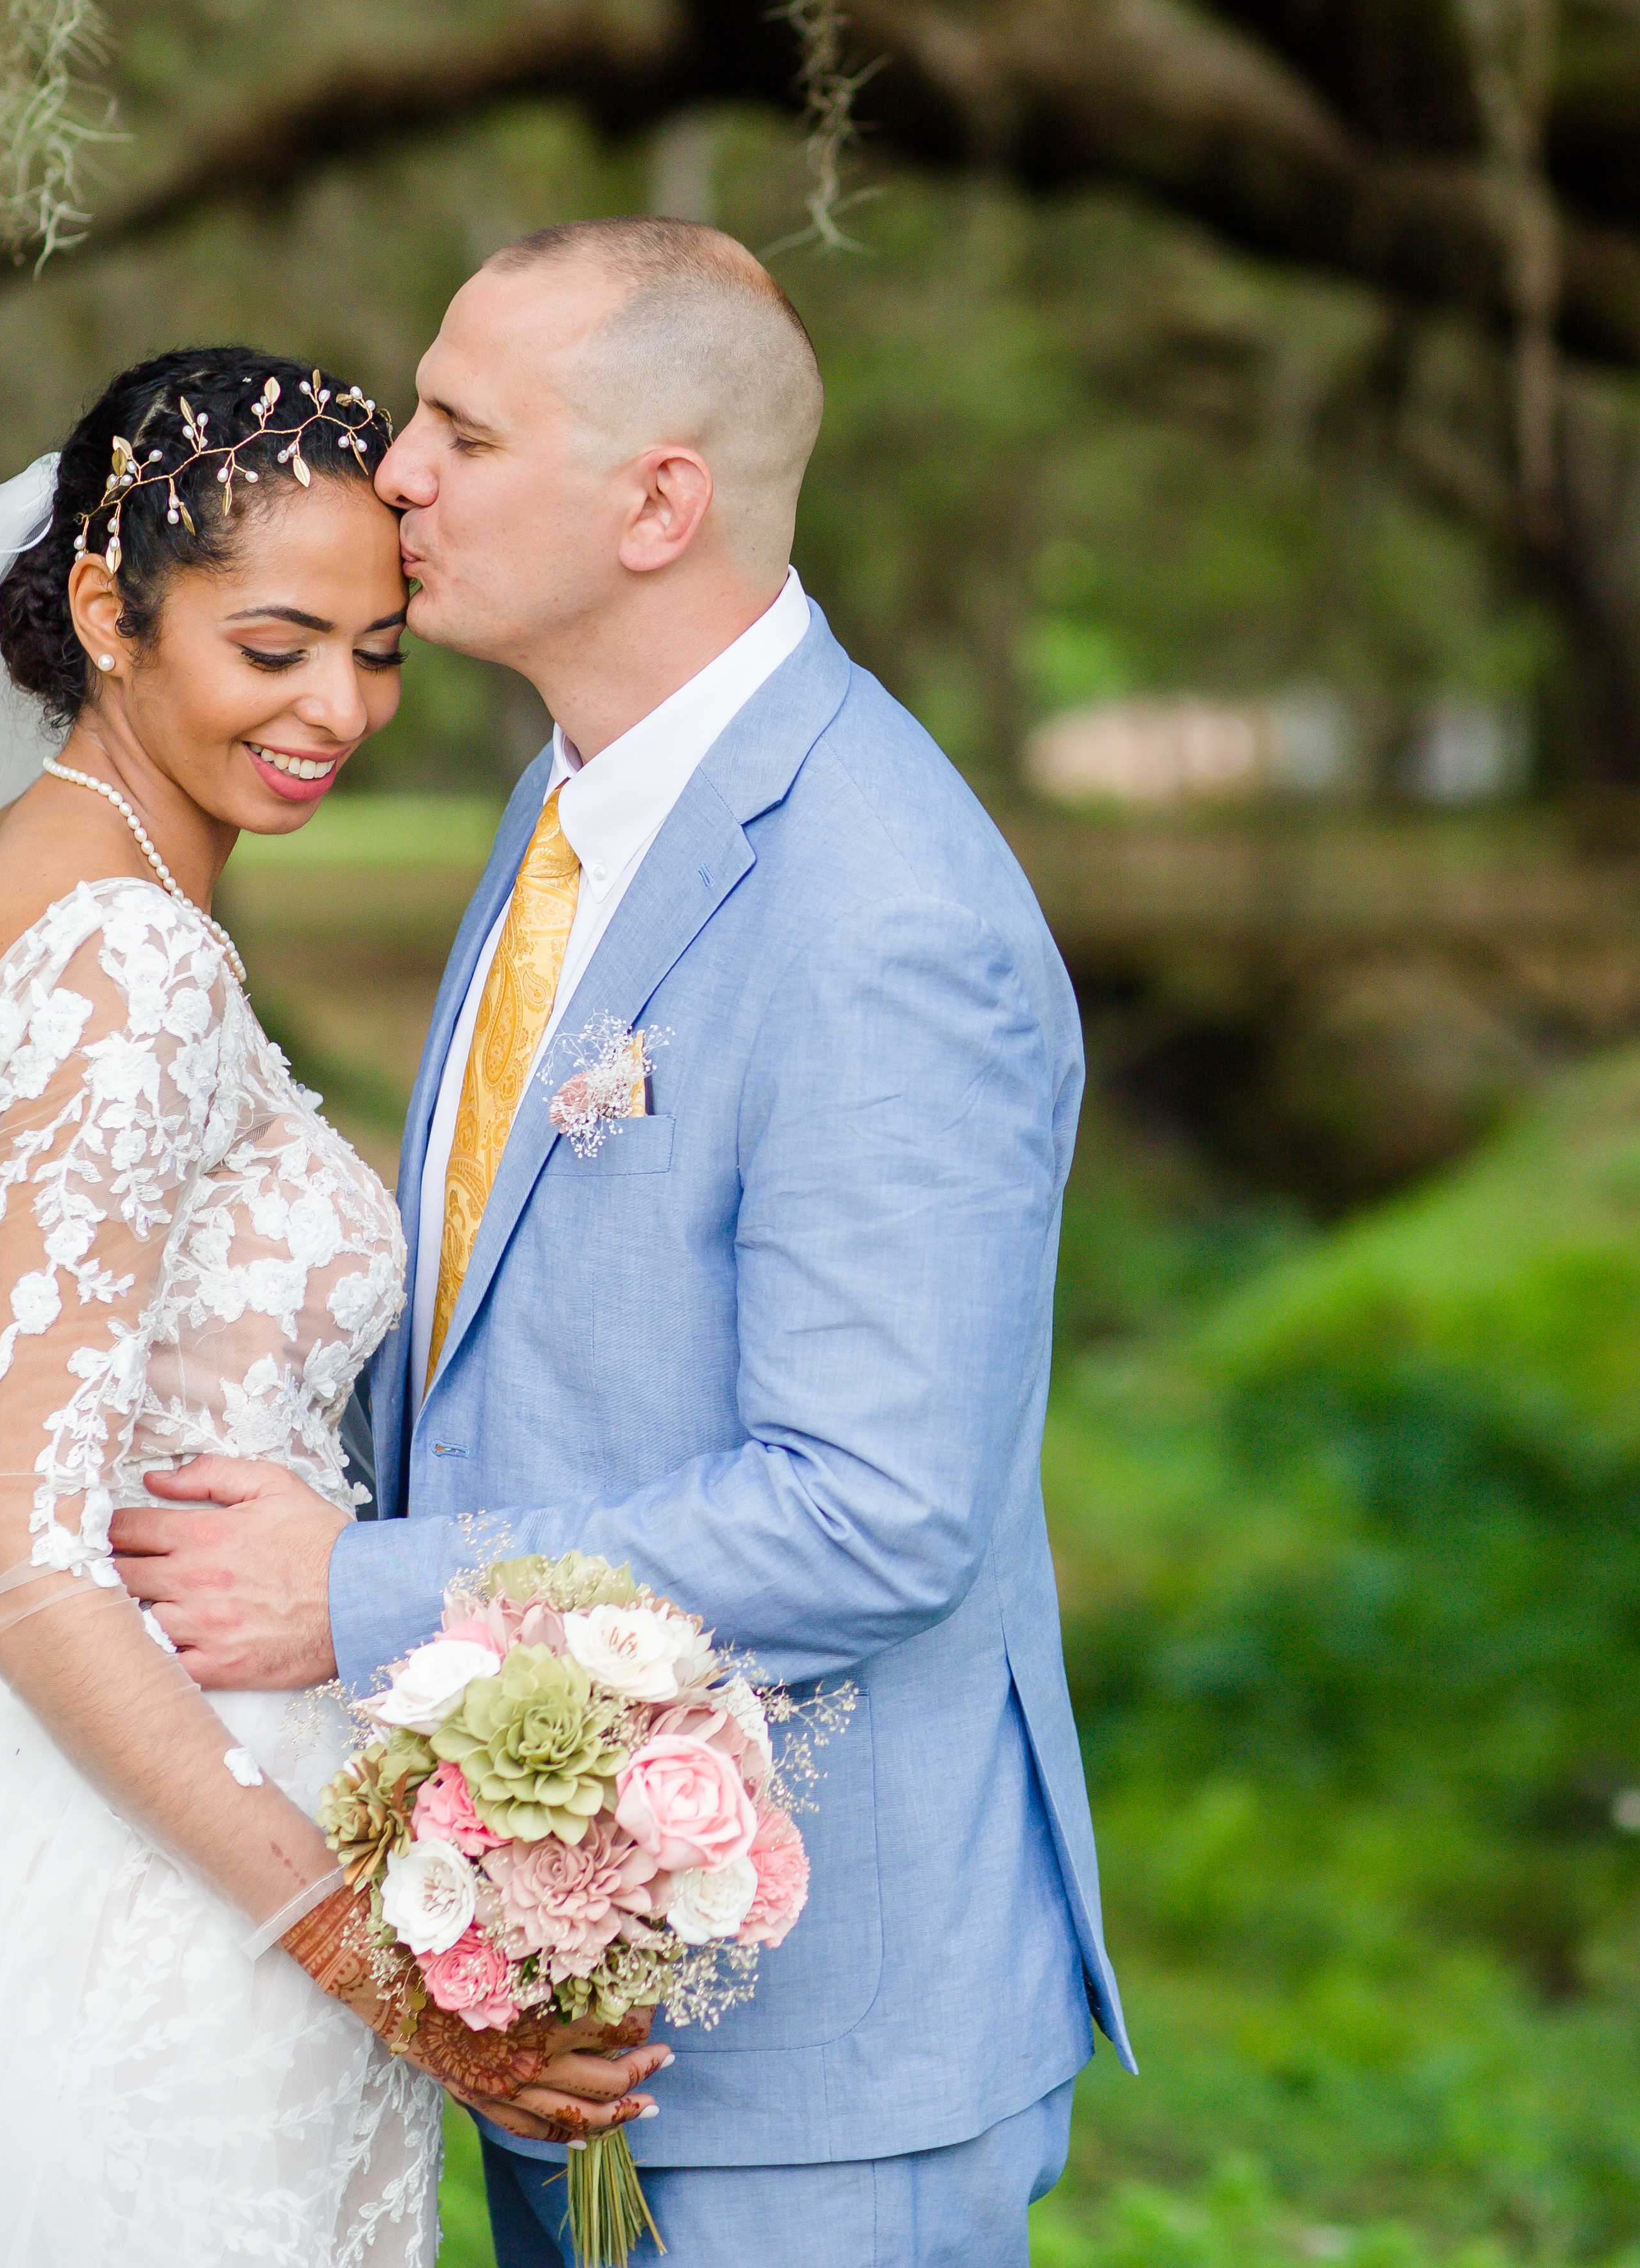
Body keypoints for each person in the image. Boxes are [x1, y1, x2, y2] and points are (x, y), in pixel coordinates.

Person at [110, 221, 1130, 2265]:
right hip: (544, 1972)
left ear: (658, 502)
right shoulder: (578, 804)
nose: (394, 472)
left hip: (809, 2052)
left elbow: (875, 1514)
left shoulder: (880, 911)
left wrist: (357, 1593)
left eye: (465, 432)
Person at [0, 347, 650, 2264]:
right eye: (278, 644)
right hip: (170, 1889)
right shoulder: (123, 958)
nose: (341, 707)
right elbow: (12, 1551)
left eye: (382, 649)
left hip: (118, 1808)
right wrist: (358, 1943)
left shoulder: (30, 877)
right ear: (107, 611)